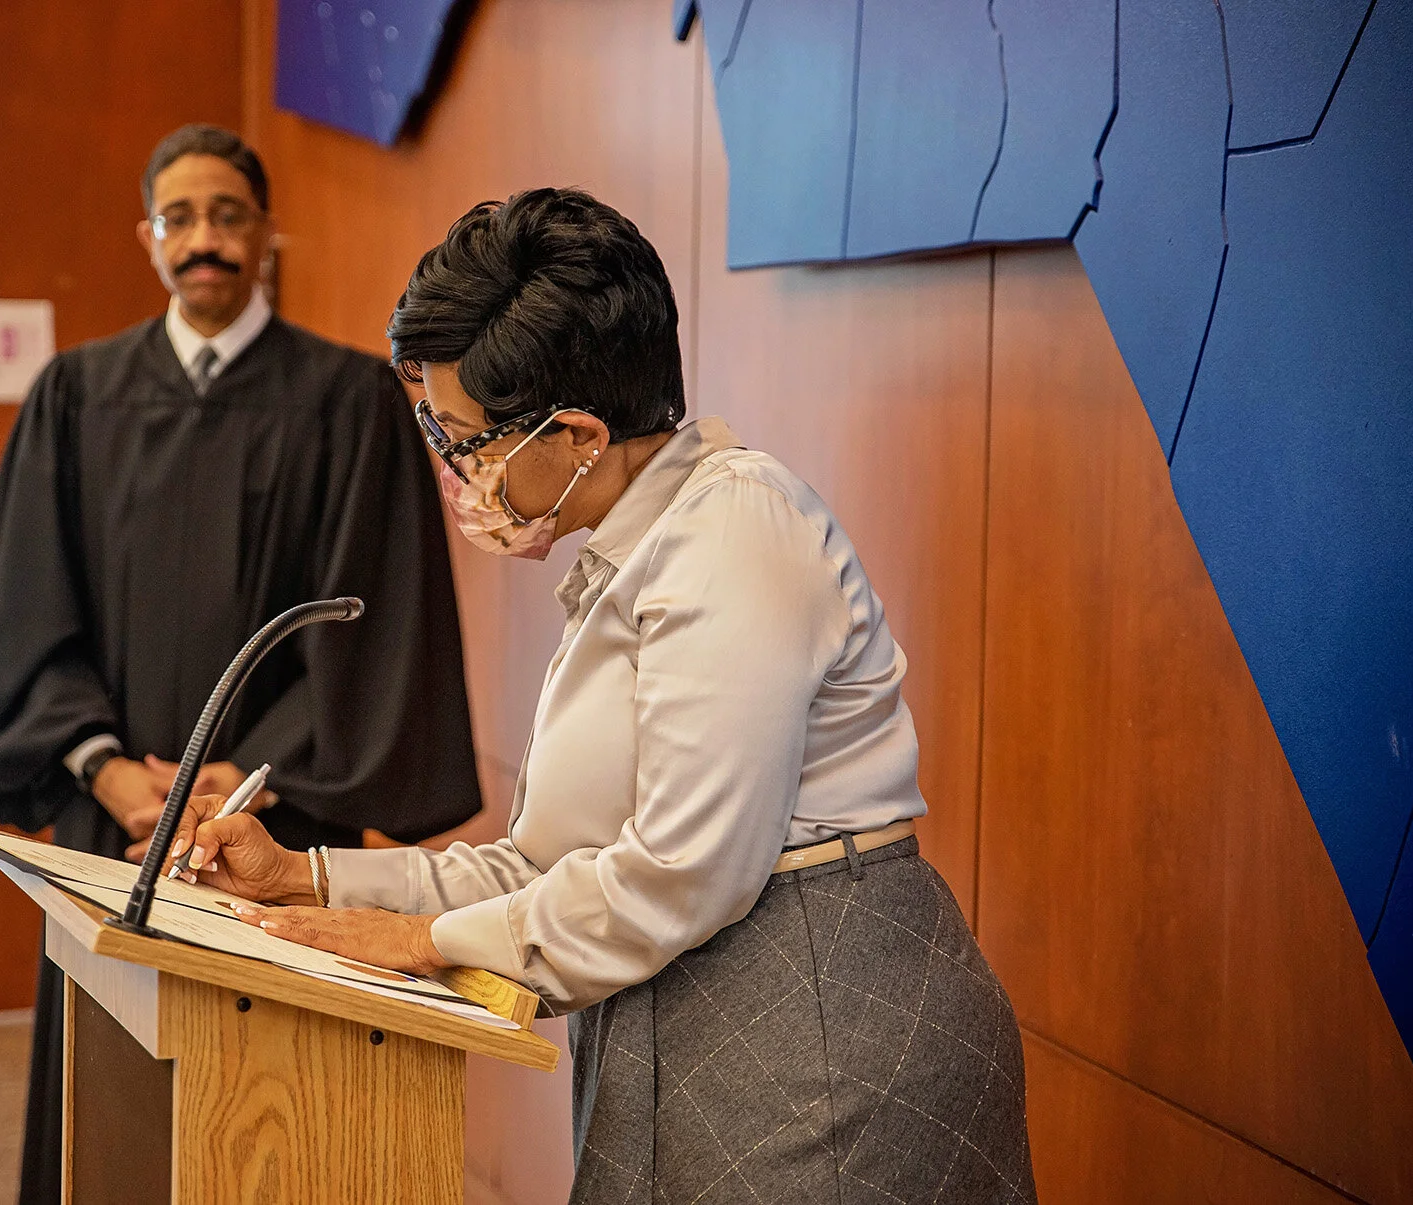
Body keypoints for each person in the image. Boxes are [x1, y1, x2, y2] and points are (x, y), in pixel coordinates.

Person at [163, 188, 1038, 1203]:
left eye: (466, 443)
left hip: (820, 1042)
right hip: (697, 1021)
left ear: (575, 434)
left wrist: (413, 940)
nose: (453, 474)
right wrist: (305, 882)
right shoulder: (632, 550)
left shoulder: (732, 535)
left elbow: (678, 874)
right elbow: (542, 866)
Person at [0, 124, 482, 1204]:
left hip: (276, 825)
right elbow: (24, 608)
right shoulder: (77, 395)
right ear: (146, 236)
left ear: (267, 234)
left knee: (271, 1124)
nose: (204, 240)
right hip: (117, 827)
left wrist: (236, 785)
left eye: (228, 216)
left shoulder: (347, 401)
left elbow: (368, 630)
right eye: (178, 218)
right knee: (106, 1110)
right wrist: (107, 769)